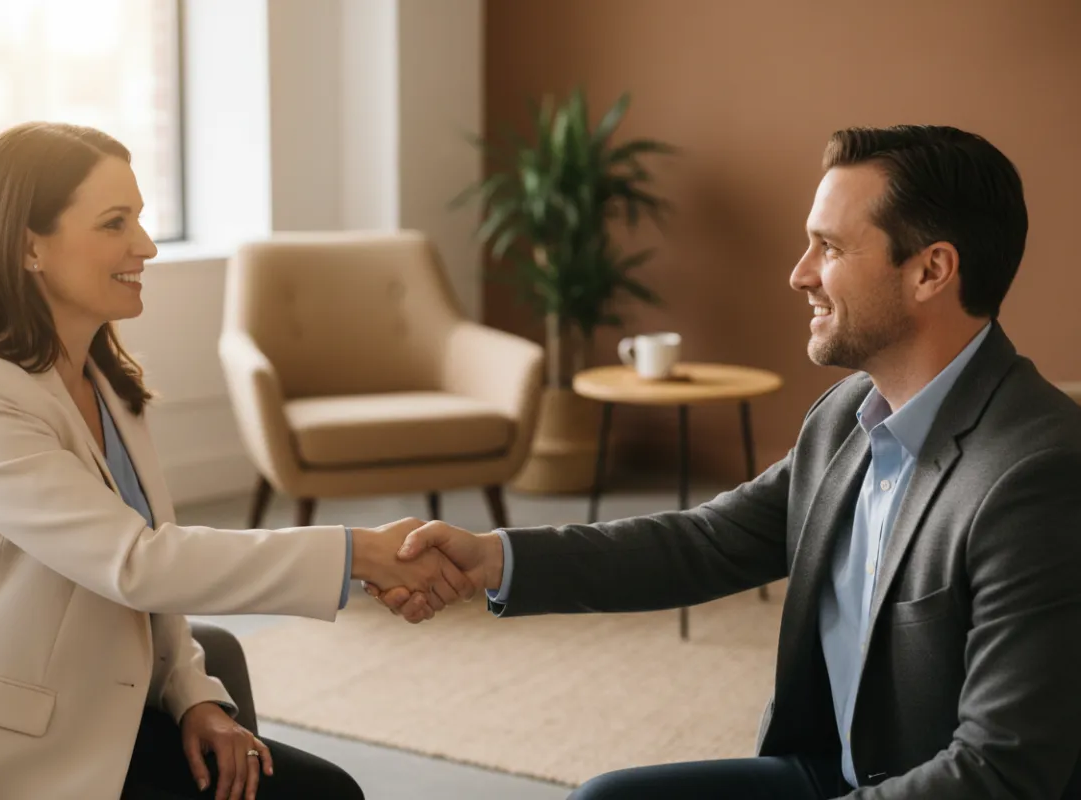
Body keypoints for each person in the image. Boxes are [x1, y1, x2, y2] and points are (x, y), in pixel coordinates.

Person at [369, 125, 1081, 799]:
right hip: (831, 773)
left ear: (931, 270)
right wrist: (490, 559)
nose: (799, 274)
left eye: (829, 248)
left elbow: (1001, 773)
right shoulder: (846, 418)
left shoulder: (1036, 475)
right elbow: (705, 543)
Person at [0, 121, 475, 800]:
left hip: (111, 715)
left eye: (139, 218)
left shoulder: (108, 383)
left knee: (324, 792)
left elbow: (148, 579)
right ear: (28, 247)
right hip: (4, 751)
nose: (147, 245)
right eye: (115, 223)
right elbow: (138, 564)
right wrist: (359, 553)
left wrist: (194, 695)